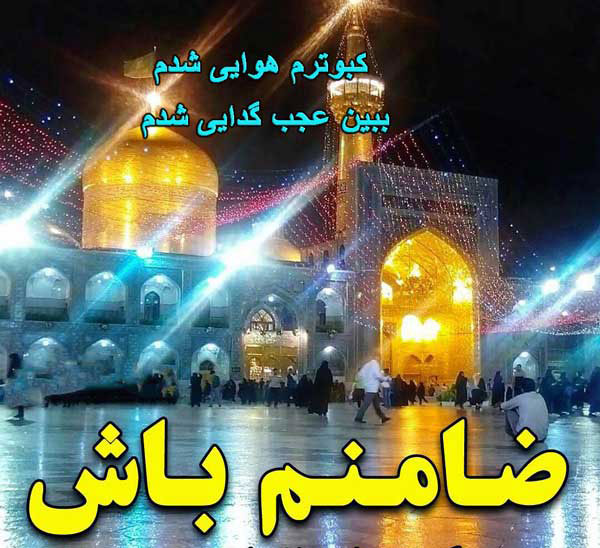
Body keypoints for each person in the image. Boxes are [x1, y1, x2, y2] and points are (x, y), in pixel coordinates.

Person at [501, 378, 548, 443]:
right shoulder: (540, 397)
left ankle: (514, 435)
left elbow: (504, 406)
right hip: (542, 437)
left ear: (522, 389)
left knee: (509, 410)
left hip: (526, 439)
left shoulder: (521, 397)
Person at [354, 358, 390, 424]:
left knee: (376, 404)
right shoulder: (375, 364)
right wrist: (385, 379)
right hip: (372, 388)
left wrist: (366, 381)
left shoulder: (366, 365)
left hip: (370, 388)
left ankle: (383, 417)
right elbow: (377, 375)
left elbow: (360, 374)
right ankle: (358, 418)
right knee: (366, 404)